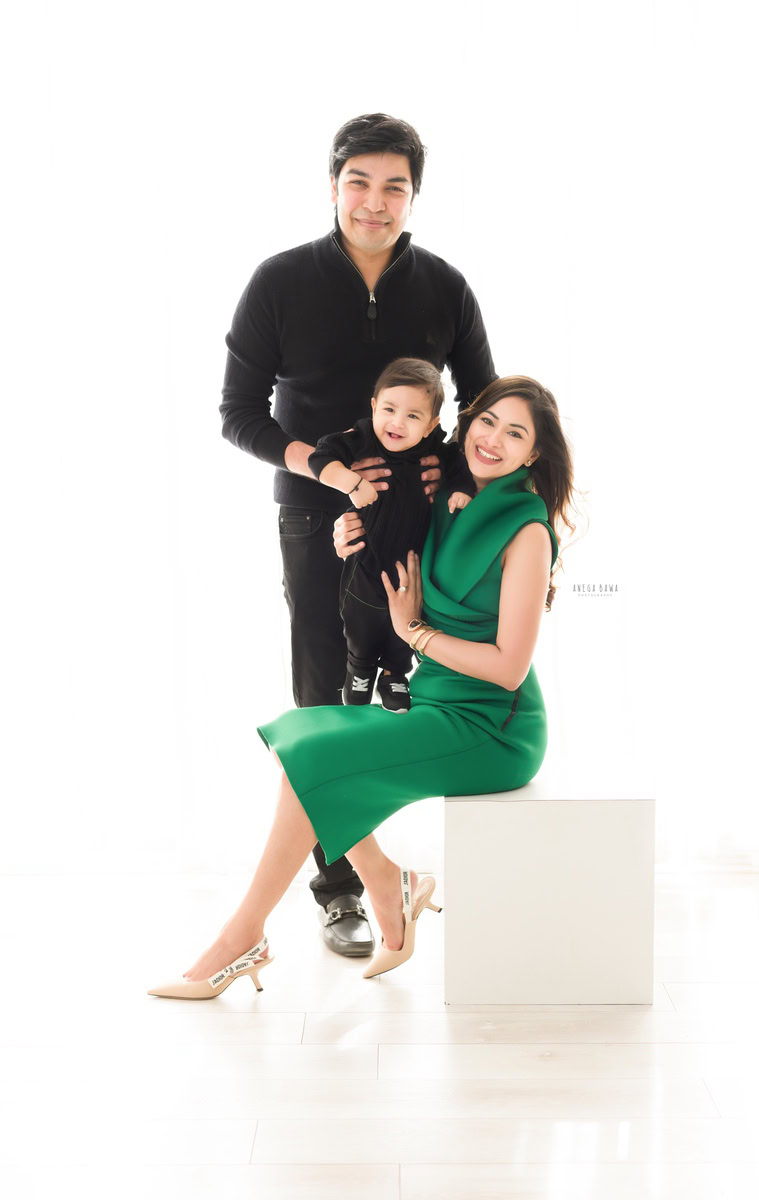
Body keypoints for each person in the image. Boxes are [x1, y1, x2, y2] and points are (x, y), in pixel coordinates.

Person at [147, 376, 576, 999]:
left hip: (493, 726)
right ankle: (381, 879)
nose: (493, 440)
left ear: (534, 455)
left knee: (312, 754)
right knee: (301, 734)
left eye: (516, 434)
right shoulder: (444, 496)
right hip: (435, 701)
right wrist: (352, 538)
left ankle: (245, 936)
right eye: (488, 422)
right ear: (467, 422)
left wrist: (414, 632)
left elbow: (509, 667)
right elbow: (388, 551)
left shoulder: (527, 531)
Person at [219, 113, 497, 955]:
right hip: (315, 516)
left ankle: (416, 876)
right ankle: (347, 882)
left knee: (415, 687)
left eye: (395, 188)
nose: (375, 203)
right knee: (321, 698)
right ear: (333, 184)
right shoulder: (279, 281)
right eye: (359, 183)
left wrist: (447, 480)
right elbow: (238, 416)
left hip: (423, 524)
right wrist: (333, 475)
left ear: (415, 196)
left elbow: (485, 406)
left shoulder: (444, 285)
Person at [309, 356, 475, 713]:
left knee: (407, 621)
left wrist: (461, 488)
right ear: (373, 407)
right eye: (389, 409)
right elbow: (321, 456)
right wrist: (350, 482)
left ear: (431, 425)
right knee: (361, 622)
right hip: (367, 561)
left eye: (413, 416)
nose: (397, 422)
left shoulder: (434, 451)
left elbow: (459, 465)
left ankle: (395, 673)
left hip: (412, 563)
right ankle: (360, 666)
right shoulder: (362, 439)